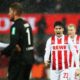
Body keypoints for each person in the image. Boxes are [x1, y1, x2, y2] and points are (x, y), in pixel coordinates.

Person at [0, 2, 34, 80]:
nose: (8, 14)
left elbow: (13, 45)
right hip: (29, 59)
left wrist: (3, 53)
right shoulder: (27, 24)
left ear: (14, 12)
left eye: (9, 11)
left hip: (20, 60)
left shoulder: (15, 26)